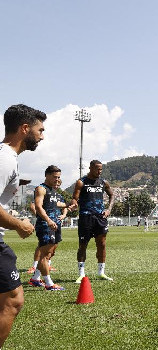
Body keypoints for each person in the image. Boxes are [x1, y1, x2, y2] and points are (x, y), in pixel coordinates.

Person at [0, 104, 46, 347]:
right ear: (24, 128)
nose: (42, 135)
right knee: (13, 301)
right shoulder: (5, 158)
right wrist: (19, 225)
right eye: (40, 130)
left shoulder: (7, 157)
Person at [28, 166, 74, 291]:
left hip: (55, 225)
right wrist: (48, 220)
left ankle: (35, 279)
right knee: (45, 254)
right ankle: (49, 284)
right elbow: (38, 206)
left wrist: (69, 205)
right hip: (45, 225)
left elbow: (57, 204)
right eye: (55, 177)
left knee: (51, 252)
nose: (57, 179)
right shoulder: (41, 189)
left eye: (59, 177)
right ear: (47, 175)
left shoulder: (53, 191)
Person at [70, 160, 115, 283]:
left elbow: (112, 195)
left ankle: (101, 272)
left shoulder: (103, 182)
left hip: (100, 218)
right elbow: (75, 198)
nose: (99, 171)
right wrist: (74, 204)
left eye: (101, 169)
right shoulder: (81, 182)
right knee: (83, 245)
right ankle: (81, 274)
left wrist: (108, 209)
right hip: (86, 218)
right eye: (97, 169)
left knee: (102, 244)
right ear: (90, 168)